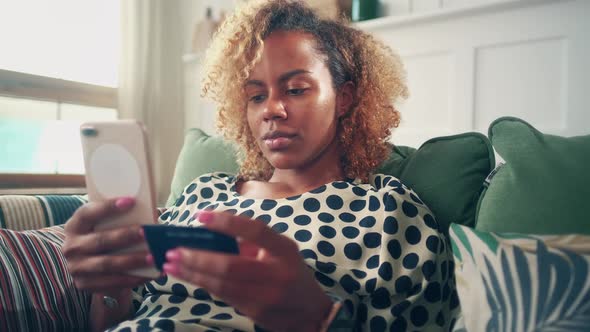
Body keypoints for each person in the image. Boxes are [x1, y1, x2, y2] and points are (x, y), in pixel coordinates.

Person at [62, 0, 459, 331]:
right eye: (255, 96)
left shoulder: (388, 210)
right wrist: (110, 285)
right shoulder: (203, 191)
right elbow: (119, 318)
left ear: (345, 98)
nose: (271, 109)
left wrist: (318, 317)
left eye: (296, 89)